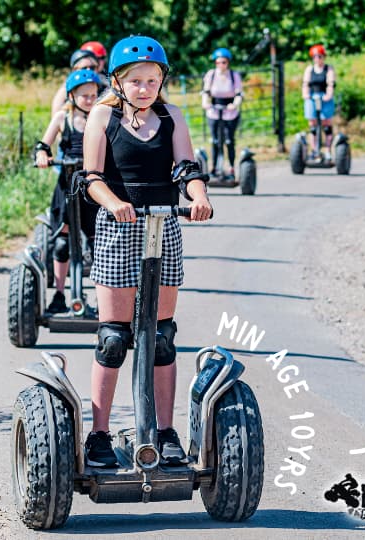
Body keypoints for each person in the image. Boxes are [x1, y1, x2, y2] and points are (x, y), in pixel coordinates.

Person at [80, 35, 212, 467]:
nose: (145, 87)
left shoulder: (172, 116)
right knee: (114, 337)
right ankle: (98, 436)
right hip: (120, 227)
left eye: (152, 79)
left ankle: (165, 431)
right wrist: (113, 202)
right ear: (117, 81)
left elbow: (186, 168)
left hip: (164, 224)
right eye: (136, 80)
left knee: (161, 338)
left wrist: (197, 195)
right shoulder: (102, 116)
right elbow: (91, 177)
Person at [34, 69, 101, 313]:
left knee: (97, 245)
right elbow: (43, 144)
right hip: (67, 184)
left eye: (94, 95)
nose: (90, 100)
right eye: (85, 95)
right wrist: (43, 155)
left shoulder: (102, 116)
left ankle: (102, 300)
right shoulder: (63, 117)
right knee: (62, 243)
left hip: (94, 186)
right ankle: (60, 295)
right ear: (72, 95)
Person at [201, 47, 243, 180]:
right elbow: (206, 92)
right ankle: (214, 168)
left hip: (230, 112)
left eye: (223, 62)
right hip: (214, 111)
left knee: (229, 141)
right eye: (218, 62)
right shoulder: (211, 75)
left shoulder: (234, 75)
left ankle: (231, 168)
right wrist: (206, 103)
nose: (221, 65)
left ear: (228, 62)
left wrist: (234, 104)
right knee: (215, 140)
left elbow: (238, 94)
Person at [302, 44, 336, 161]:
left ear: (323, 57)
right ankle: (315, 151)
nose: (317, 59)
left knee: (326, 123)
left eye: (320, 56)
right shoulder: (309, 69)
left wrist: (328, 94)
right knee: (313, 124)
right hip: (312, 98)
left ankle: (327, 150)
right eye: (315, 56)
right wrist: (305, 94)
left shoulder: (328, 69)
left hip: (324, 97)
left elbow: (331, 83)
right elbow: (305, 84)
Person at [51, 49, 99, 117]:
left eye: (92, 67)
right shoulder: (64, 91)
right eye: (84, 68)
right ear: (74, 70)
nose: (88, 70)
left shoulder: (104, 84)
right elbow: (55, 116)